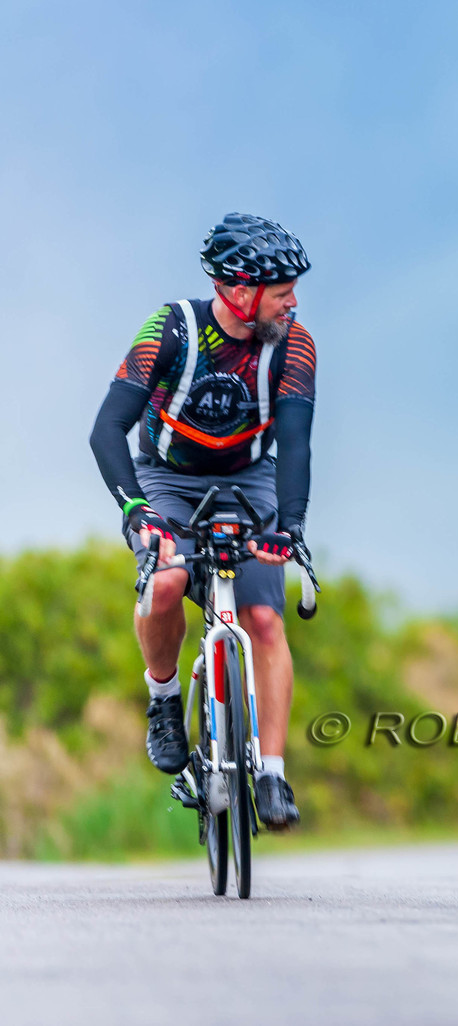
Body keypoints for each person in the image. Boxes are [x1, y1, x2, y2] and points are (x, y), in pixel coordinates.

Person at [88, 213, 316, 830]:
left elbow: (294, 445)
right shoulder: (170, 329)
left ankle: (271, 773)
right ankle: (163, 702)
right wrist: (138, 512)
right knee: (163, 581)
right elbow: (107, 428)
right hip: (166, 477)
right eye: (282, 288)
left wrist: (287, 529)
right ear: (239, 291)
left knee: (265, 618)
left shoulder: (294, 345)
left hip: (250, 479)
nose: (294, 300)